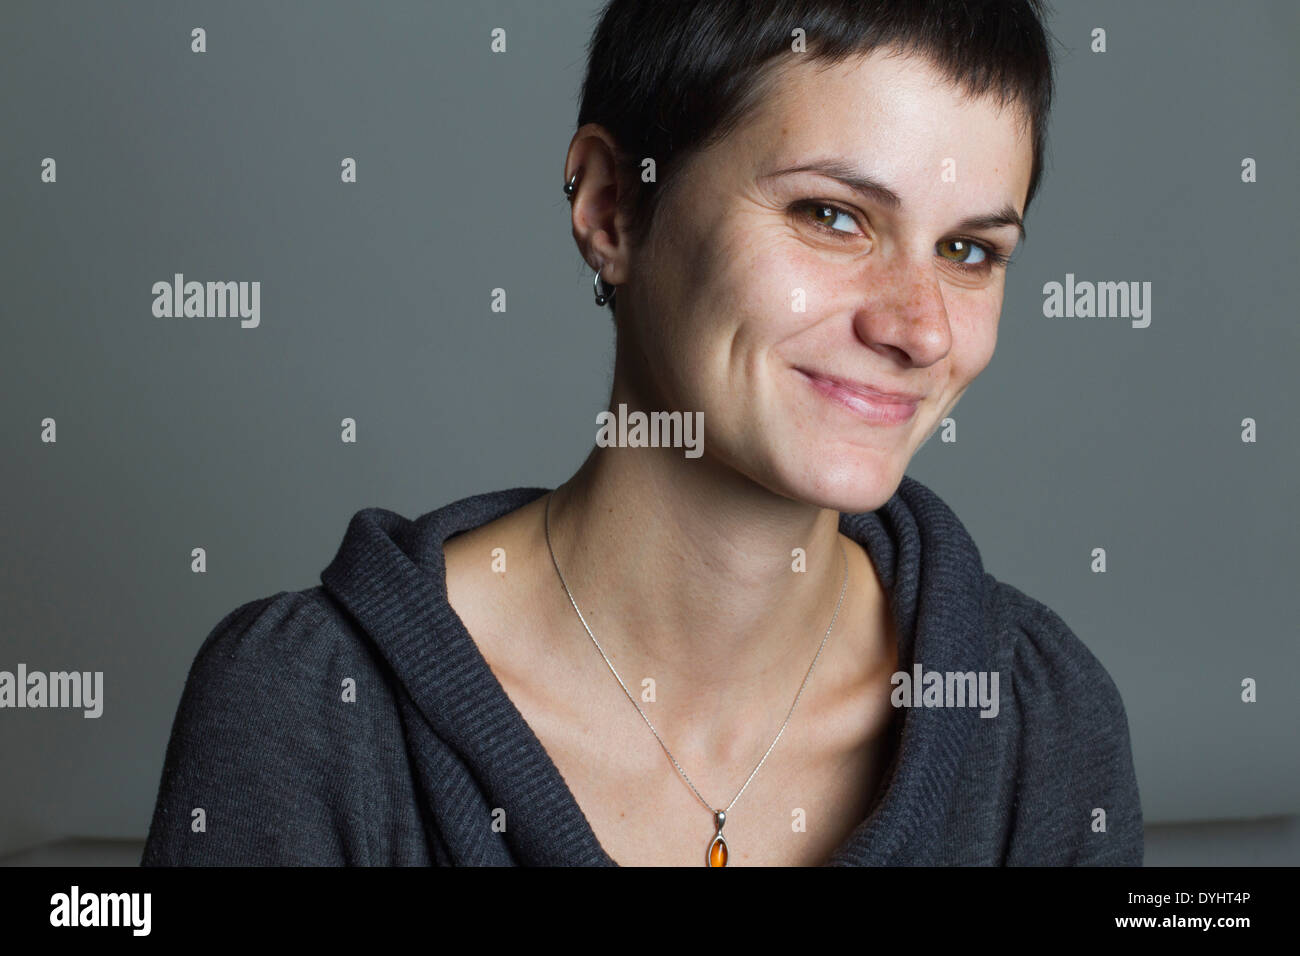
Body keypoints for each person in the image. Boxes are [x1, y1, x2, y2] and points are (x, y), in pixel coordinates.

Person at [142, 0, 1143, 867]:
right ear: (612, 208)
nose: (918, 326)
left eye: (969, 249)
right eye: (832, 216)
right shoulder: (312, 709)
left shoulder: (1038, 721)